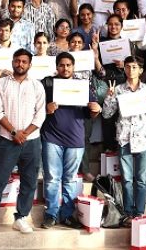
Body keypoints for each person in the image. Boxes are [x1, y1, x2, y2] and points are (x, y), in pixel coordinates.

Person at [0, 49, 46, 234]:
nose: (20, 64)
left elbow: (40, 115)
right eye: (17, 61)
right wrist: (14, 132)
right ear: (12, 62)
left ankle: (21, 218)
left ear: (30, 64)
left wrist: (24, 134)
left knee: (29, 182)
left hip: (32, 142)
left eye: (24, 61)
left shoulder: (37, 86)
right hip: (8, 140)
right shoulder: (1, 83)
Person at [39, 52, 101, 229]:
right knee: (52, 178)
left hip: (75, 139)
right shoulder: (47, 84)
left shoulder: (83, 86)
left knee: (70, 179)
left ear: (73, 67)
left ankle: (67, 215)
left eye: (68, 65)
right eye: (61, 65)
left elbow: (92, 113)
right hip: (51, 137)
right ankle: (51, 214)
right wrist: (46, 109)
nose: (65, 68)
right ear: (56, 67)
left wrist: (96, 109)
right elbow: (35, 108)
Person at [102, 56, 146, 226]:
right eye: (127, 67)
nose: (131, 70)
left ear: (140, 70)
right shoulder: (118, 89)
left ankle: (139, 213)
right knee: (127, 180)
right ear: (124, 69)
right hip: (124, 139)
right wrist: (109, 97)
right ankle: (128, 213)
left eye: (134, 67)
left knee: (141, 180)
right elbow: (106, 114)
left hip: (143, 140)